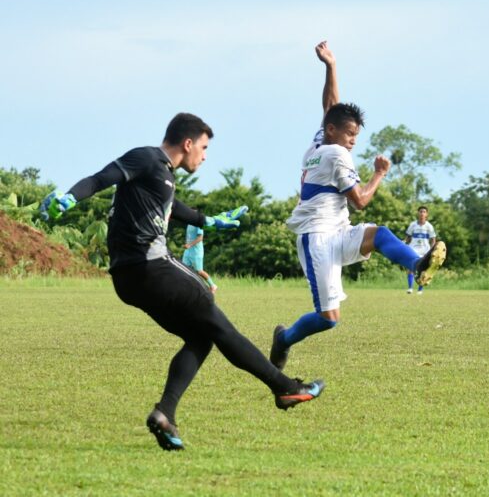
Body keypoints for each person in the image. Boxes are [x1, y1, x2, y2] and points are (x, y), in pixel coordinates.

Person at [40, 113, 324, 451]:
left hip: (130, 278)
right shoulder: (147, 158)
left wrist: (211, 221)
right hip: (151, 267)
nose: (204, 156)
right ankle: (284, 386)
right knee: (219, 325)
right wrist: (71, 197)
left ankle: (165, 414)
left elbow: (176, 207)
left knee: (200, 336)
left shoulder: (162, 177)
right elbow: (101, 178)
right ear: (187, 143)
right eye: (203, 148)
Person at [269, 41, 447, 372]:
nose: (353, 139)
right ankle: (284, 339)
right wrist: (379, 174)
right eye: (350, 133)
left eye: (356, 134)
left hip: (338, 232)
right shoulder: (336, 153)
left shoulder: (318, 144)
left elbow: (331, 105)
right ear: (333, 131)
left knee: (379, 235)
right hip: (318, 239)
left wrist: (331, 66)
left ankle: (417, 265)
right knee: (329, 318)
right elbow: (361, 201)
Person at [404, 206, 437, 295]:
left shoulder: (429, 226)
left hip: (424, 251)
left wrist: (432, 250)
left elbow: (433, 240)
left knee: (423, 270)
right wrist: (404, 245)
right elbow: (407, 237)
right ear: (418, 213)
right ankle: (410, 288)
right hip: (413, 249)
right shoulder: (412, 225)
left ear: (426, 214)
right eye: (420, 211)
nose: (422, 213)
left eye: (424, 212)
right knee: (410, 268)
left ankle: (420, 290)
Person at [182, 224, 217, 293]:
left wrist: (189, 245)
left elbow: (200, 238)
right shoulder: (188, 224)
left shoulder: (198, 223)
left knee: (199, 271)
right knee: (184, 269)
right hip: (188, 251)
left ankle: (212, 285)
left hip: (196, 252)